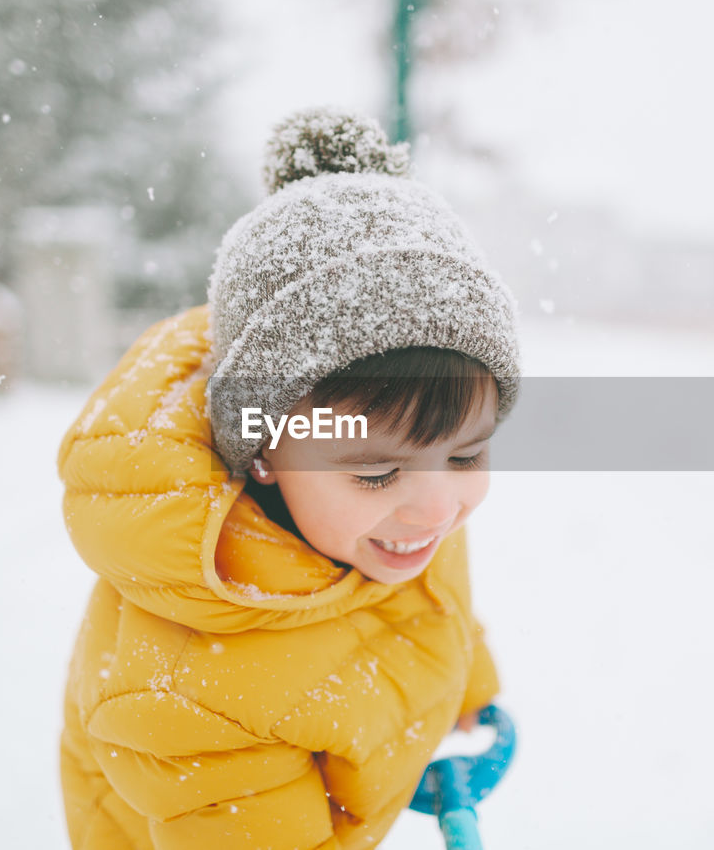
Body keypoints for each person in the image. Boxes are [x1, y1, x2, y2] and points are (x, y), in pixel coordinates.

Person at [57, 107, 521, 849]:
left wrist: (468, 679)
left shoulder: (386, 516)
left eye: (467, 455)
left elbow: (433, 604)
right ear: (264, 449)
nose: (439, 505)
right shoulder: (192, 692)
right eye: (375, 470)